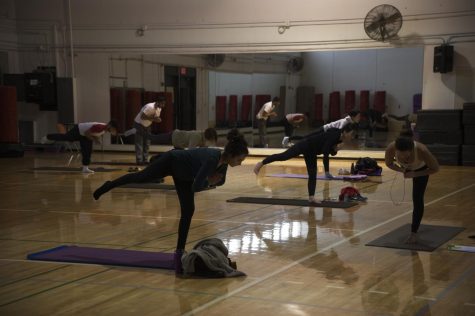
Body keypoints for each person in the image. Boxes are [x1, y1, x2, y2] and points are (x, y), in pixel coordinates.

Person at [93, 129, 249, 274]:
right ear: (232, 154)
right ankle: (109, 185)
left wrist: (210, 181)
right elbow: (197, 186)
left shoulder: (223, 164)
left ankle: (179, 252)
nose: (240, 163)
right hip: (172, 161)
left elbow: (220, 182)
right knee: (141, 177)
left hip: (184, 174)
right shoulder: (212, 158)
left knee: (188, 210)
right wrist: (209, 182)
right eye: (240, 159)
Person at [254, 124, 355, 203]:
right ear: (345, 132)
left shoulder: (339, 138)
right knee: (284, 156)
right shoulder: (335, 135)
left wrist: (336, 149)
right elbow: (325, 152)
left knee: (312, 174)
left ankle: (311, 197)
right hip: (306, 144)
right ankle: (261, 163)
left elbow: (329, 150)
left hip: (312, 151)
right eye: (351, 134)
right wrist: (327, 171)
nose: (351, 136)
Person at [384, 130, 439, 244]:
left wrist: (415, 174)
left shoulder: (422, 150)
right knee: (416, 197)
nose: (403, 157)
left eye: (406, 155)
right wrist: (402, 169)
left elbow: (435, 168)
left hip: (422, 170)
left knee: (417, 199)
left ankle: (414, 233)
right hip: (407, 169)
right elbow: (389, 163)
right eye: (400, 154)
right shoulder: (391, 148)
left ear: (411, 150)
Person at [46, 120, 118, 173]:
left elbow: (93, 133)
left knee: (88, 151)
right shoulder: (100, 127)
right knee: (66, 137)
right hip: (78, 130)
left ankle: (85, 168)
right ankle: (47, 137)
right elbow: (87, 133)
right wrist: (94, 140)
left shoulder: (104, 130)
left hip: (84, 135)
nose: (114, 131)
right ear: (110, 125)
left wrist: (96, 139)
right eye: (114, 129)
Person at [134, 96, 167, 165]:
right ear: (158, 102)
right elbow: (142, 116)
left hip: (147, 125)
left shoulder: (159, 109)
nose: (163, 106)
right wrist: (154, 119)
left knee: (147, 143)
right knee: (139, 142)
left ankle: (145, 160)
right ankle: (139, 160)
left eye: (164, 104)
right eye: (162, 104)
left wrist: (158, 119)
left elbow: (154, 117)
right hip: (139, 124)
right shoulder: (149, 106)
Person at [146, 128, 218, 149]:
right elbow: (191, 150)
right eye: (212, 139)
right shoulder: (197, 136)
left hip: (178, 143)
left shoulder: (203, 138)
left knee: (153, 138)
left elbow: (203, 148)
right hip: (173, 136)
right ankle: (139, 131)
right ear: (209, 137)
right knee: (153, 138)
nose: (212, 141)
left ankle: (144, 132)